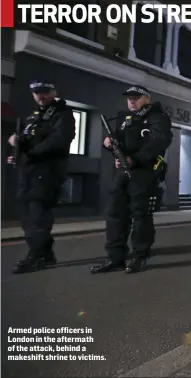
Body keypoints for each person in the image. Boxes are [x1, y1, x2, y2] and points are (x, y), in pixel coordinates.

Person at [91, 85, 172, 274]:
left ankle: (139, 256)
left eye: (136, 97)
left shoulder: (157, 117)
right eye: (129, 98)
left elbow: (160, 142)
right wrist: (109, 144)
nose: (131, 101)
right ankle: (115, 257)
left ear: (147, 99)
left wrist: (135, 159)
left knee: (140, 215)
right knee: (115, 214)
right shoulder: (126, 119)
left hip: (143, 172)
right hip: (121, 174)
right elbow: (119, 142)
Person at [7, 80, 76, 274]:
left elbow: (58, 140)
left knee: (38, 215)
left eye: (44, 92)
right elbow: (26, 141)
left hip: (47, 172)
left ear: (53, 92)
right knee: (28, 216)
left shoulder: (62, 114)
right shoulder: (33, 116)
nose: (40, 96)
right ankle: (45, 254)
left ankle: (36, 256)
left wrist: (30, 154)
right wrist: (17, 149)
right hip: (28, 171)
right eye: (36, 93)